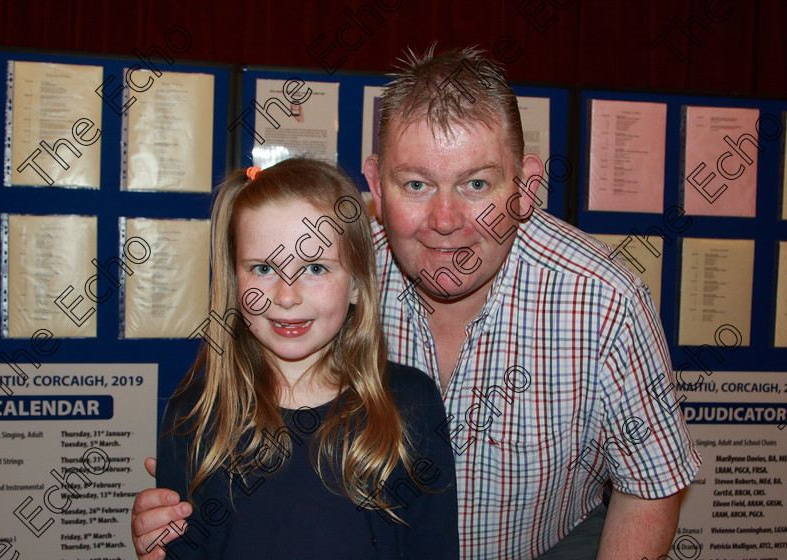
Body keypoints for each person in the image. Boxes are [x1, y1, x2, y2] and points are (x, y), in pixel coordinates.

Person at [132, 47, 700, 560]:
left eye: (477, 184)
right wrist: (175, 524)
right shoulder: (325, 279)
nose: (445, 223)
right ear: (377, 186)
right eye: (417, 185)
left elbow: (651, 481)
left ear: (525, 187)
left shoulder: (604, 300)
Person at [150, 158, 458, 559]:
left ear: (356, 285)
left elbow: (433, 547)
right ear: (233, 280)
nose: (286, 295)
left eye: (314, 267)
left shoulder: (410, 403)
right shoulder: (195, 411)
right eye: (262, 268)